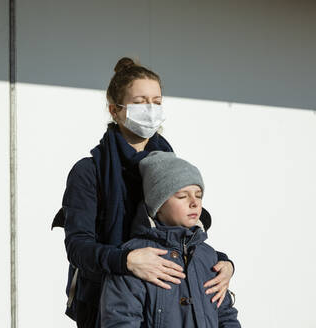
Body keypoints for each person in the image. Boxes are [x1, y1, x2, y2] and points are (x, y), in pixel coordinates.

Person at [58, 57, 235, 327]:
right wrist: (126, 261)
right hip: (105, 305)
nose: (150, 109)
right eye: (140, 103)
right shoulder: (89, 172)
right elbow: (77, 247)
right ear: (115, 110)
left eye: (157, 101)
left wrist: (223, 264)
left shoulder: (171, 167)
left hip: (168, 300)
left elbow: (188, 232)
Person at [100, 151, 240, 327]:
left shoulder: (208, 256)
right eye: (182, 196)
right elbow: (120, 321)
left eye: (198, 195)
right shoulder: (135, 258)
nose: (194, 203)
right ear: (158, 206)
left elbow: (226, 315)